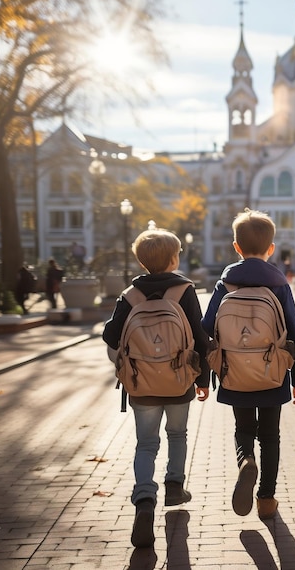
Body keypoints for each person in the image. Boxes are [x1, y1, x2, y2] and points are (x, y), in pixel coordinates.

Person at [102, 228, 210, 548]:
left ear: (141, 260)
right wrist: (203, 380)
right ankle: (175, 485)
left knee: (146, 443)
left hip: (141, 383)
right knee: (177, 435)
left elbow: (110, 336)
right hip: (179, 381)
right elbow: (200, 339)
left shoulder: (129, 295)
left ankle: (144, 499)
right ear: (174, 257)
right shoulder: (184, 291)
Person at [201, 208, 295, 521]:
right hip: (272, 372)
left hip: (234, 371)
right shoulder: (278, 284)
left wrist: (206, 375)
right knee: (271, 435)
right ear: (271, 248)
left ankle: (246, 459)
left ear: (236, 247)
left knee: (243, 427)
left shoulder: (225, 284)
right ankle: (266, 498)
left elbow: (207, 327)